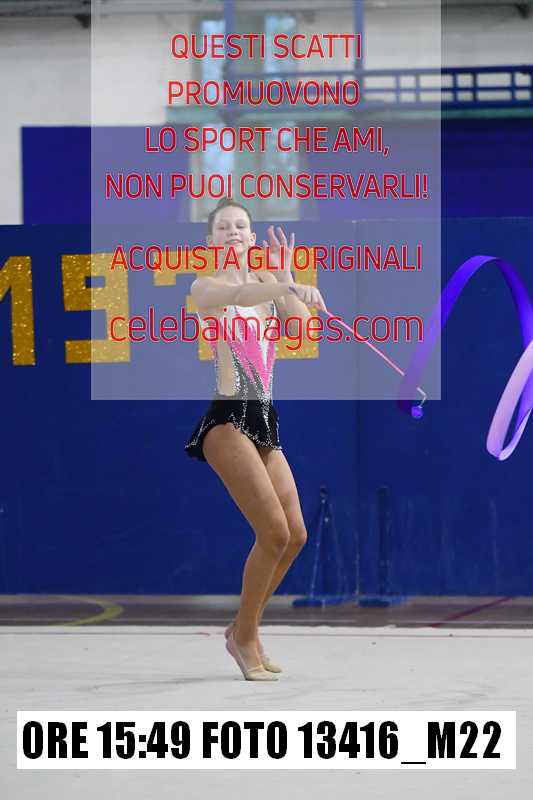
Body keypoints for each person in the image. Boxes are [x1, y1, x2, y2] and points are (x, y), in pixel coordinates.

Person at [184, 197, 327, 680]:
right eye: (223, 227)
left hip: (264, 421)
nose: (232, 232)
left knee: (295, 535)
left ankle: (242, 629)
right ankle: (245, 638)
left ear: (251, 235)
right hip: (227, 422)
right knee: (273, 533)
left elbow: (303, 328)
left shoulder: (268, 282)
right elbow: (240, 296)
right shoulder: (205, 287)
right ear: (210, 240)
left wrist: (284, 278)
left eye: (240, 226)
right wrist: (284, 284)